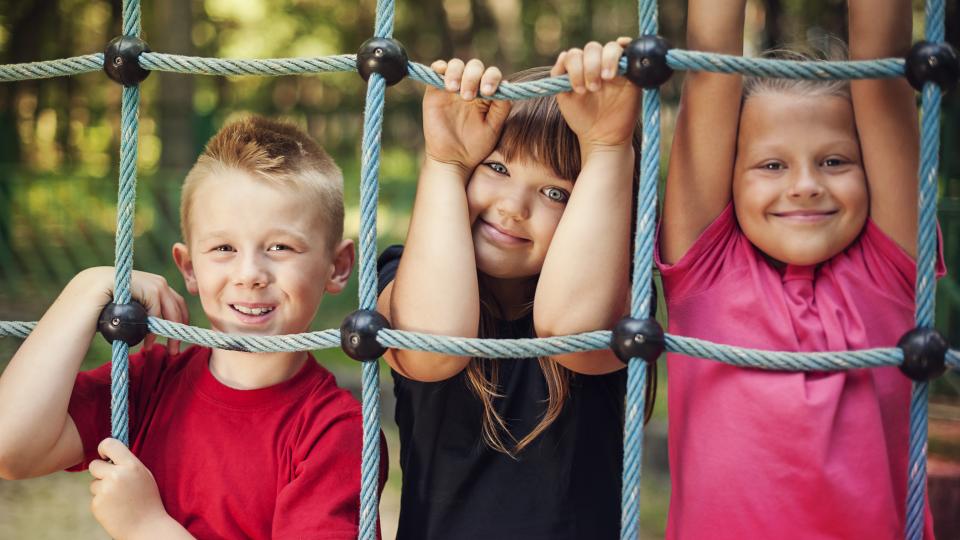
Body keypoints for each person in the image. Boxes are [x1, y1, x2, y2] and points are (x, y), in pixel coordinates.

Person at [0, 116, 386, 539]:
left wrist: (147, 527)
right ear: (188, 267)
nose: (250, 273)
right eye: (223, 248)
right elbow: (10, 448)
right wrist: (86, 287)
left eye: (280, 246)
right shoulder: (152, 382)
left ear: (339, 266)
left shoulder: (337, 431)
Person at [658, 0, 940, 537]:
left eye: (835, 161)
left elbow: (883, 66)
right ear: (730, 179)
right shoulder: (708, 274)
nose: (806, 184)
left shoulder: (890, 272)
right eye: (771, 165)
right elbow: (709, 63)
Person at [376, 39, 649, 539]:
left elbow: (571, 326)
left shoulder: (617, 305)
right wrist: (447, 162)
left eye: (555, 192)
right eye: (497, 168)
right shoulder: (405, 275)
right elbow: (434, 345)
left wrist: (608, 148)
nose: (514, 207)